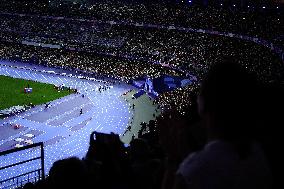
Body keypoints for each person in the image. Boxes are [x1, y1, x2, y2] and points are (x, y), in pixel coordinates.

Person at [169, 60, 272, 189]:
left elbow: (203, 169)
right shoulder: (256, 151)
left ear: (204, 105)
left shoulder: (194, 170)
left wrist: (172, 159)